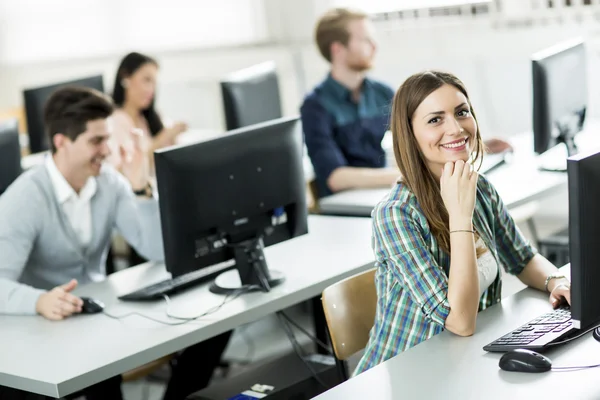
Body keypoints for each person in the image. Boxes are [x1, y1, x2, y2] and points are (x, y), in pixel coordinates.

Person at [0, 87, 231, 400]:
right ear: (61, 142)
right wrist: (39, 301)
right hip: (40, 333)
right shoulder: (24, 198)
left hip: (93, 322)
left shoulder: (108, 183)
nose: (107, 150)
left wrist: (139, 187)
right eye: (97, 140)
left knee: (210, 325)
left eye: (108, 138)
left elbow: (156, 250)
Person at [353, 71, 570, 375]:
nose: (456, 128)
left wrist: (557, 282)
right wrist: (459, 216)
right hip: (407, 373)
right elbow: (459, 321)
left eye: (461, 112)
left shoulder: (478, 187)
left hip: (462, 361)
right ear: (409, 134)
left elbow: (522, 258)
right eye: (435, 120)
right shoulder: (396, 215)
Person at [301, 8, 512, 198]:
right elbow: (334, 177)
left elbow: (421, 132)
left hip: (379, 193)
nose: (374, 46)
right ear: (338, 49)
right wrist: (410, 175)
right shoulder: (315, 107)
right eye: (365, 40)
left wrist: (474, 144)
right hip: (344, 205)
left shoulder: (381, 92)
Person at [109, 51, 187, 266]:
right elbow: (124, 170)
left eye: (154, 82)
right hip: (139, 202)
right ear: (125, 78)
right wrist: (163, 138)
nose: (151, 89)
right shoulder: (116, 121)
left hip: (163, 194)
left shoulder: (149, 117)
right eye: (146, 80)